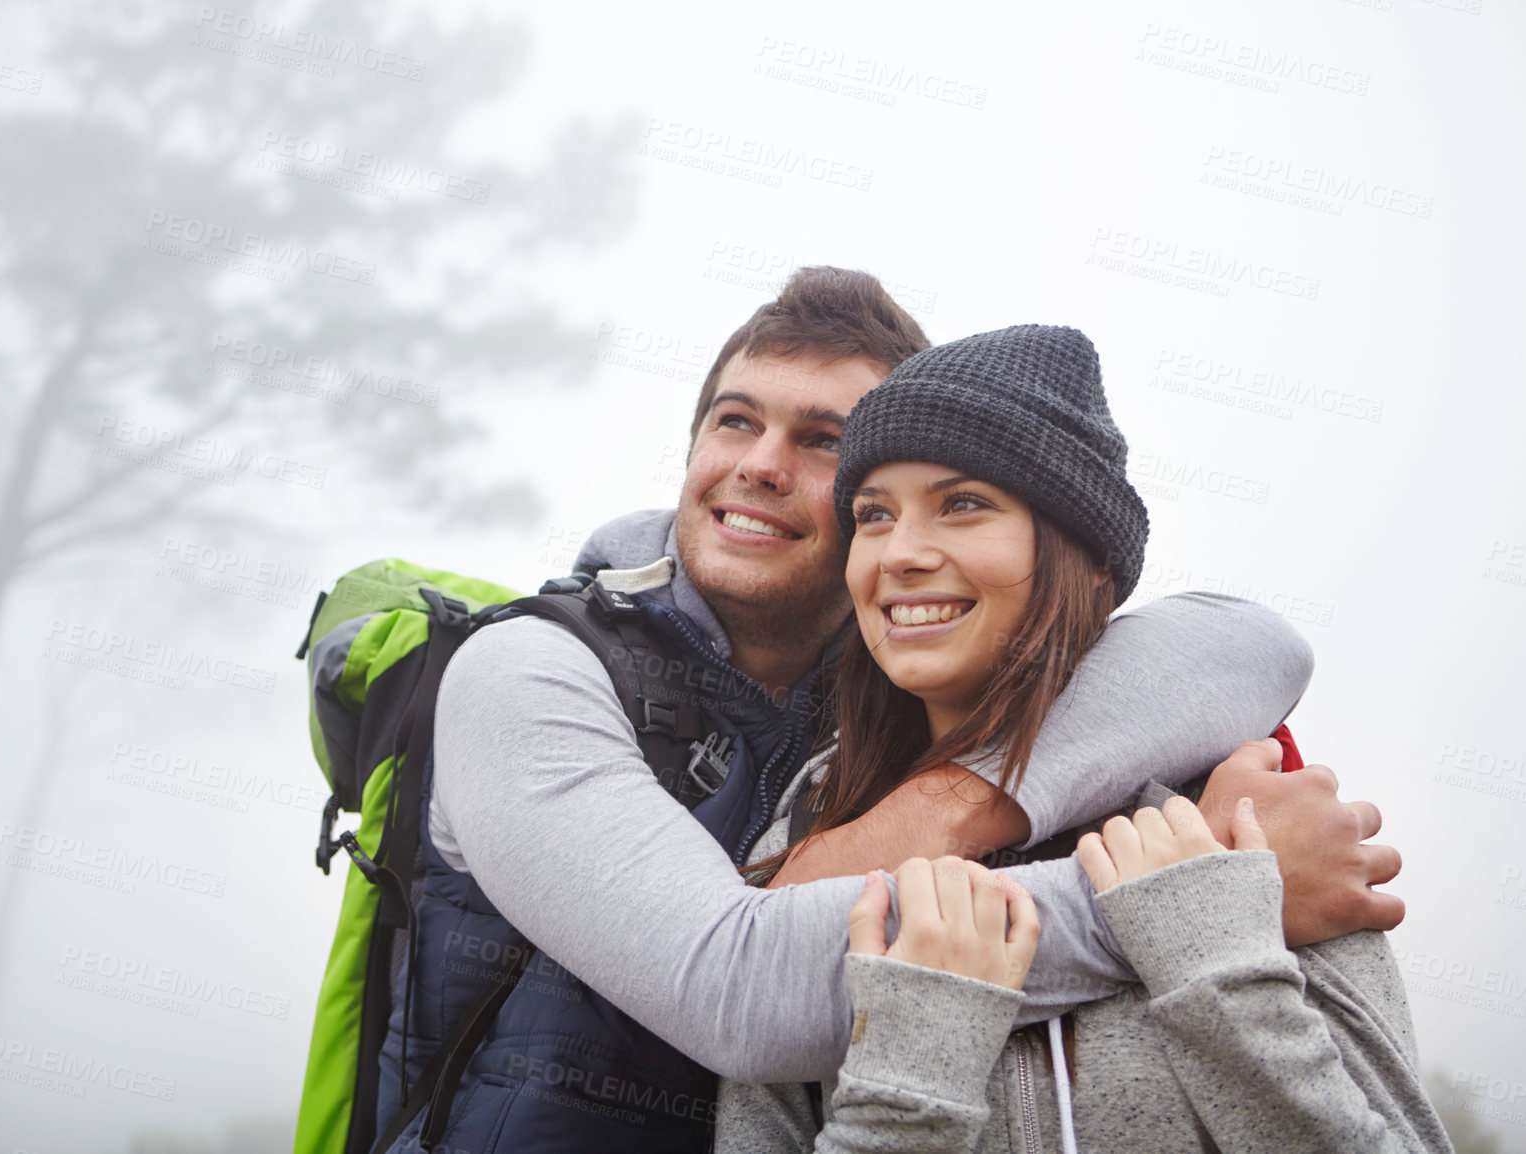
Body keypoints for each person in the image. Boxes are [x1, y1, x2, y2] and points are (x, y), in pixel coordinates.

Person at [376, 269, 1405, 1153]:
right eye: (735, 419)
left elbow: (1251, 637)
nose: (762, 463)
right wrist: (1209, 891)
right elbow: (736, 987)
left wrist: (961, 796)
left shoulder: (871, 735)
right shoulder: (528, 671)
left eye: (823, 440)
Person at [714, 326, 1446, 1153]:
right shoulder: (815, 822)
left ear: (1089, 556)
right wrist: (917, 1066)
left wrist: (1214, 966)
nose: (903, 553)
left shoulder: (1244, 819)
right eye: (873, 515)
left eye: (963, 504)